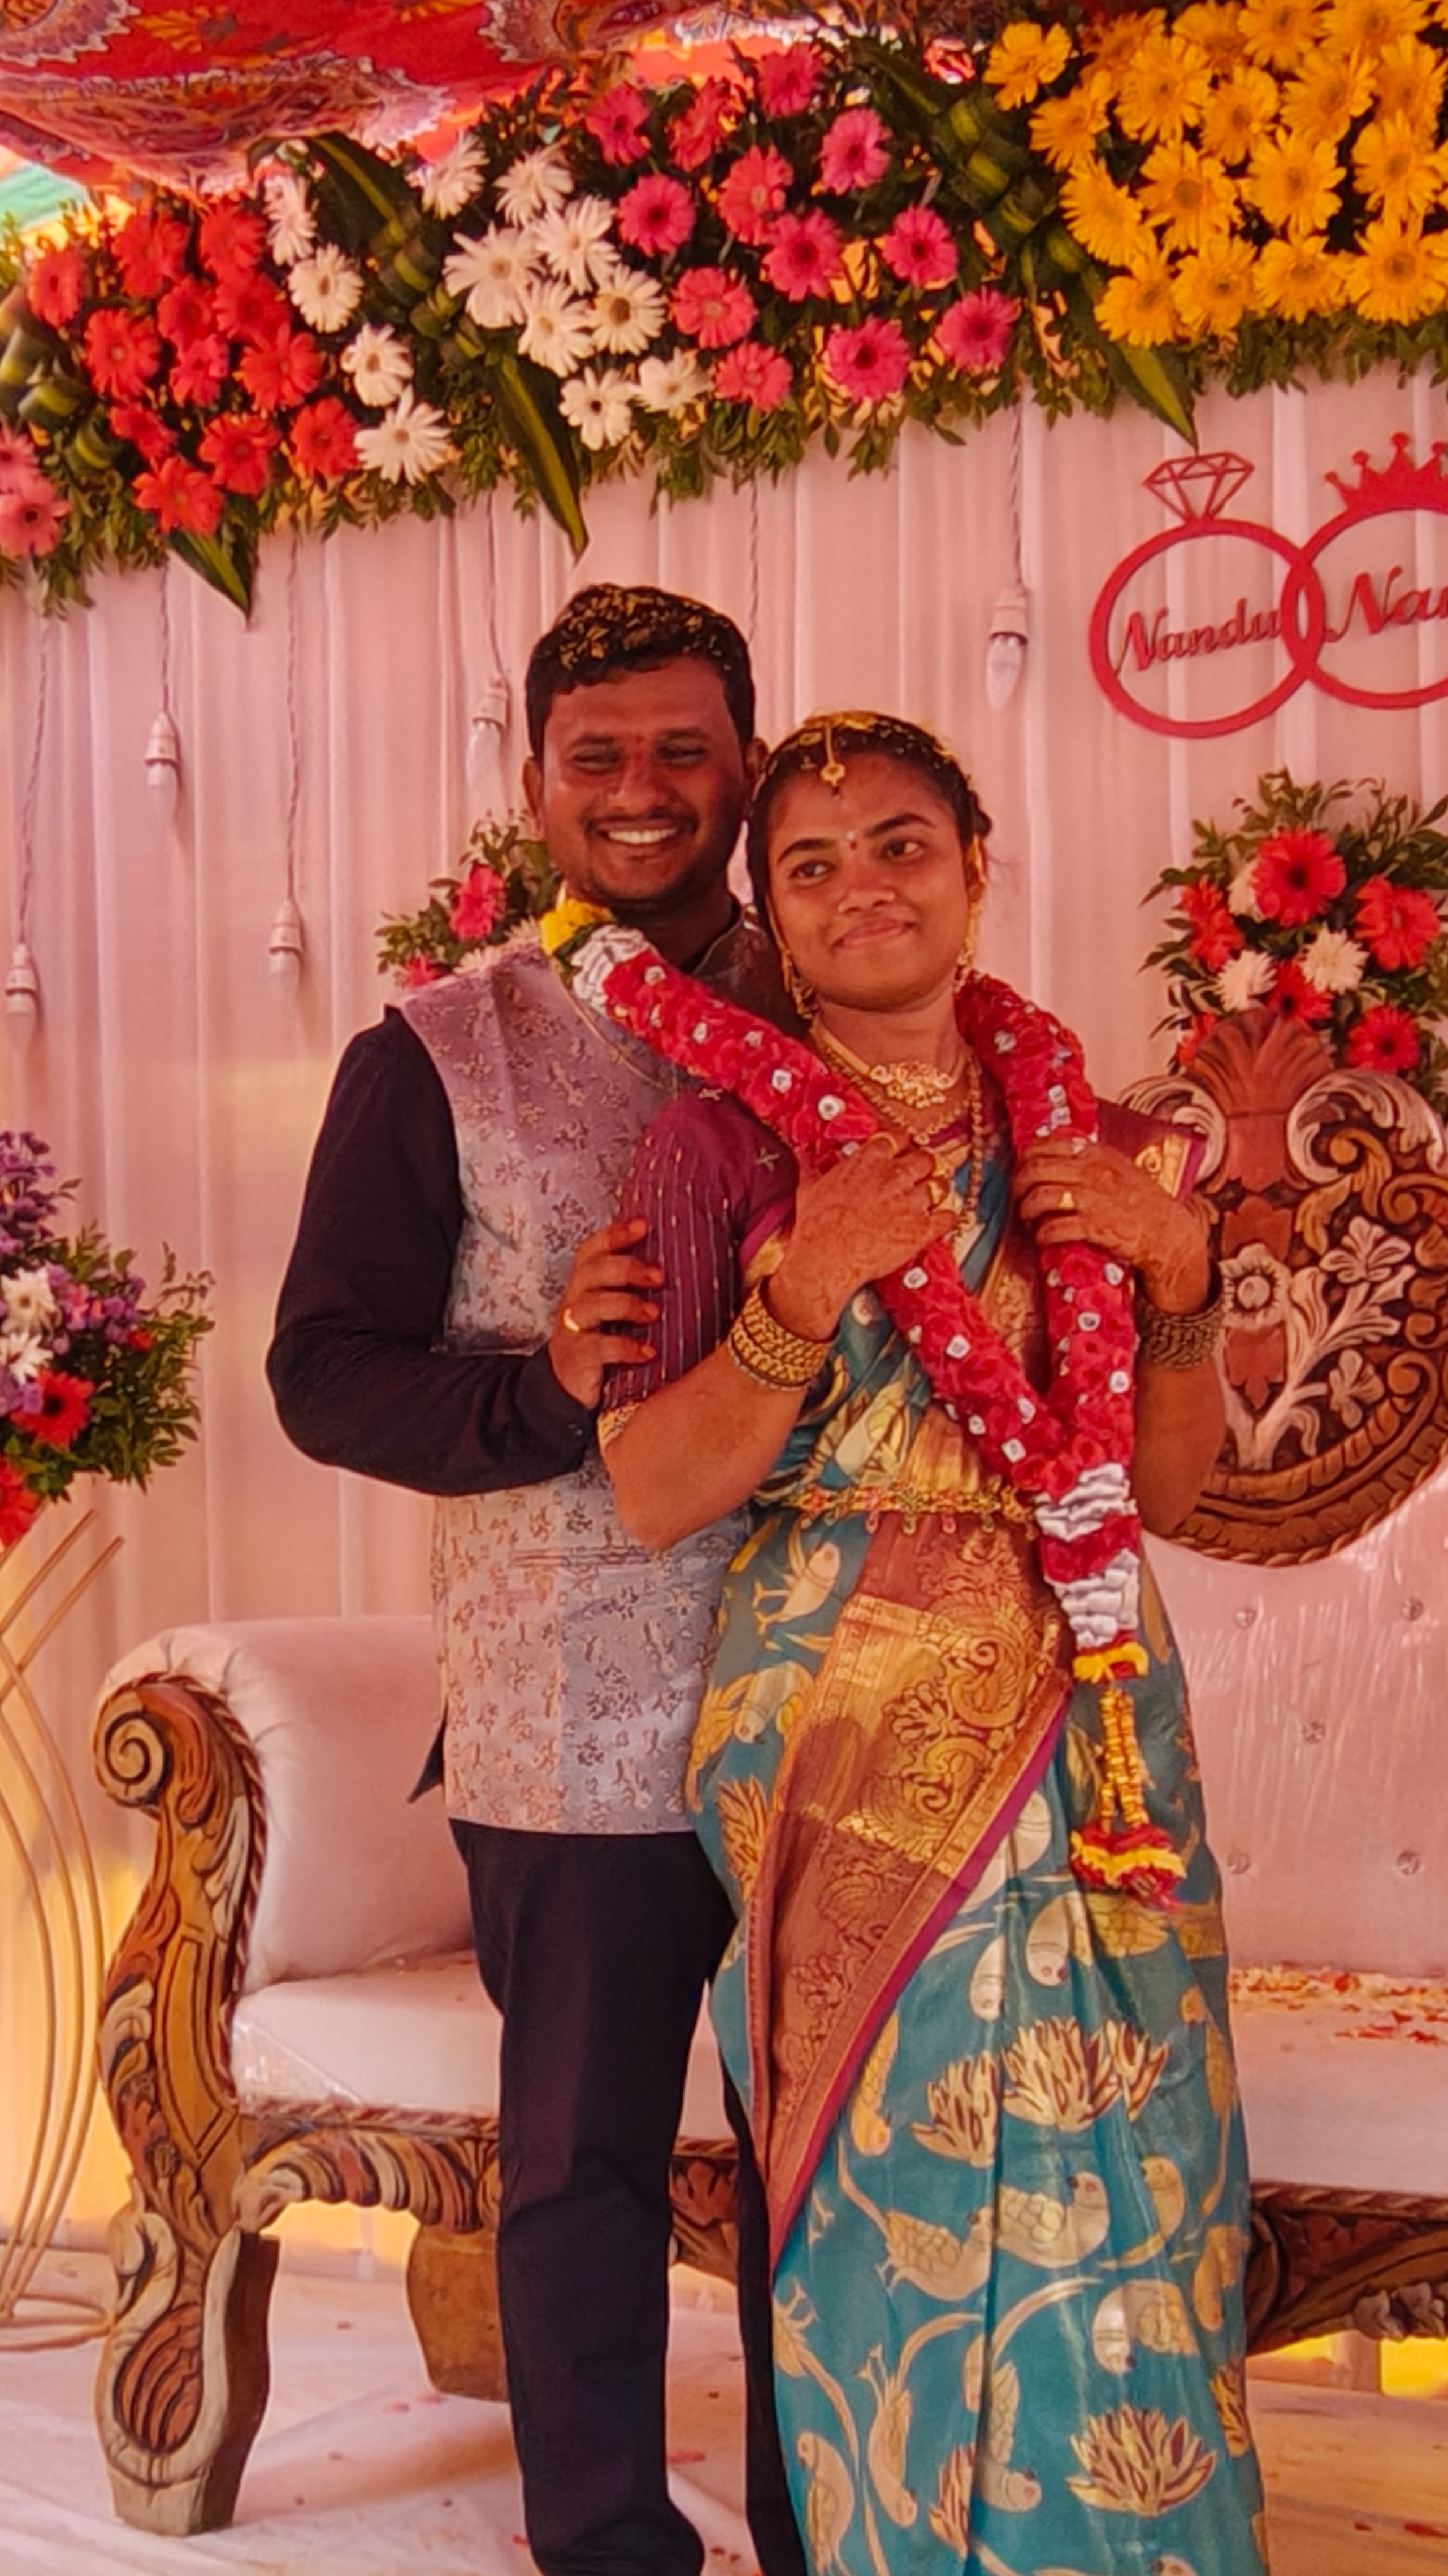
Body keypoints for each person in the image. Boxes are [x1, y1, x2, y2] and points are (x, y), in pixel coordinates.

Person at [597, 712, 1267, 2573]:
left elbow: (1175, 1493)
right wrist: (798, 1291)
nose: (858, 887)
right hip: (834, 1708)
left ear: (974, 870)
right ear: (773, 924)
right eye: (807, 867)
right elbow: (655, 1489)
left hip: (1098, 1711)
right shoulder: (712, 1147)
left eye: (898, 844)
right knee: (892, 2172)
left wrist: (1179, 1272)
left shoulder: (1112, 1148)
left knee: (1129, 2152)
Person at [267, 584, 804, 2576]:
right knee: (577, 2162)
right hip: (568, 1708)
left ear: (746, 766)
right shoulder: (438, 1048)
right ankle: (602, 2545)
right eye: (601, 756)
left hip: (840, 1697)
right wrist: (546, 1383)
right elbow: (322, 1371)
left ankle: (823, 2520)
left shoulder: (840, 997)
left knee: (816, 2168)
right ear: (532, 783)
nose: (644, 793)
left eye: (684, 750)